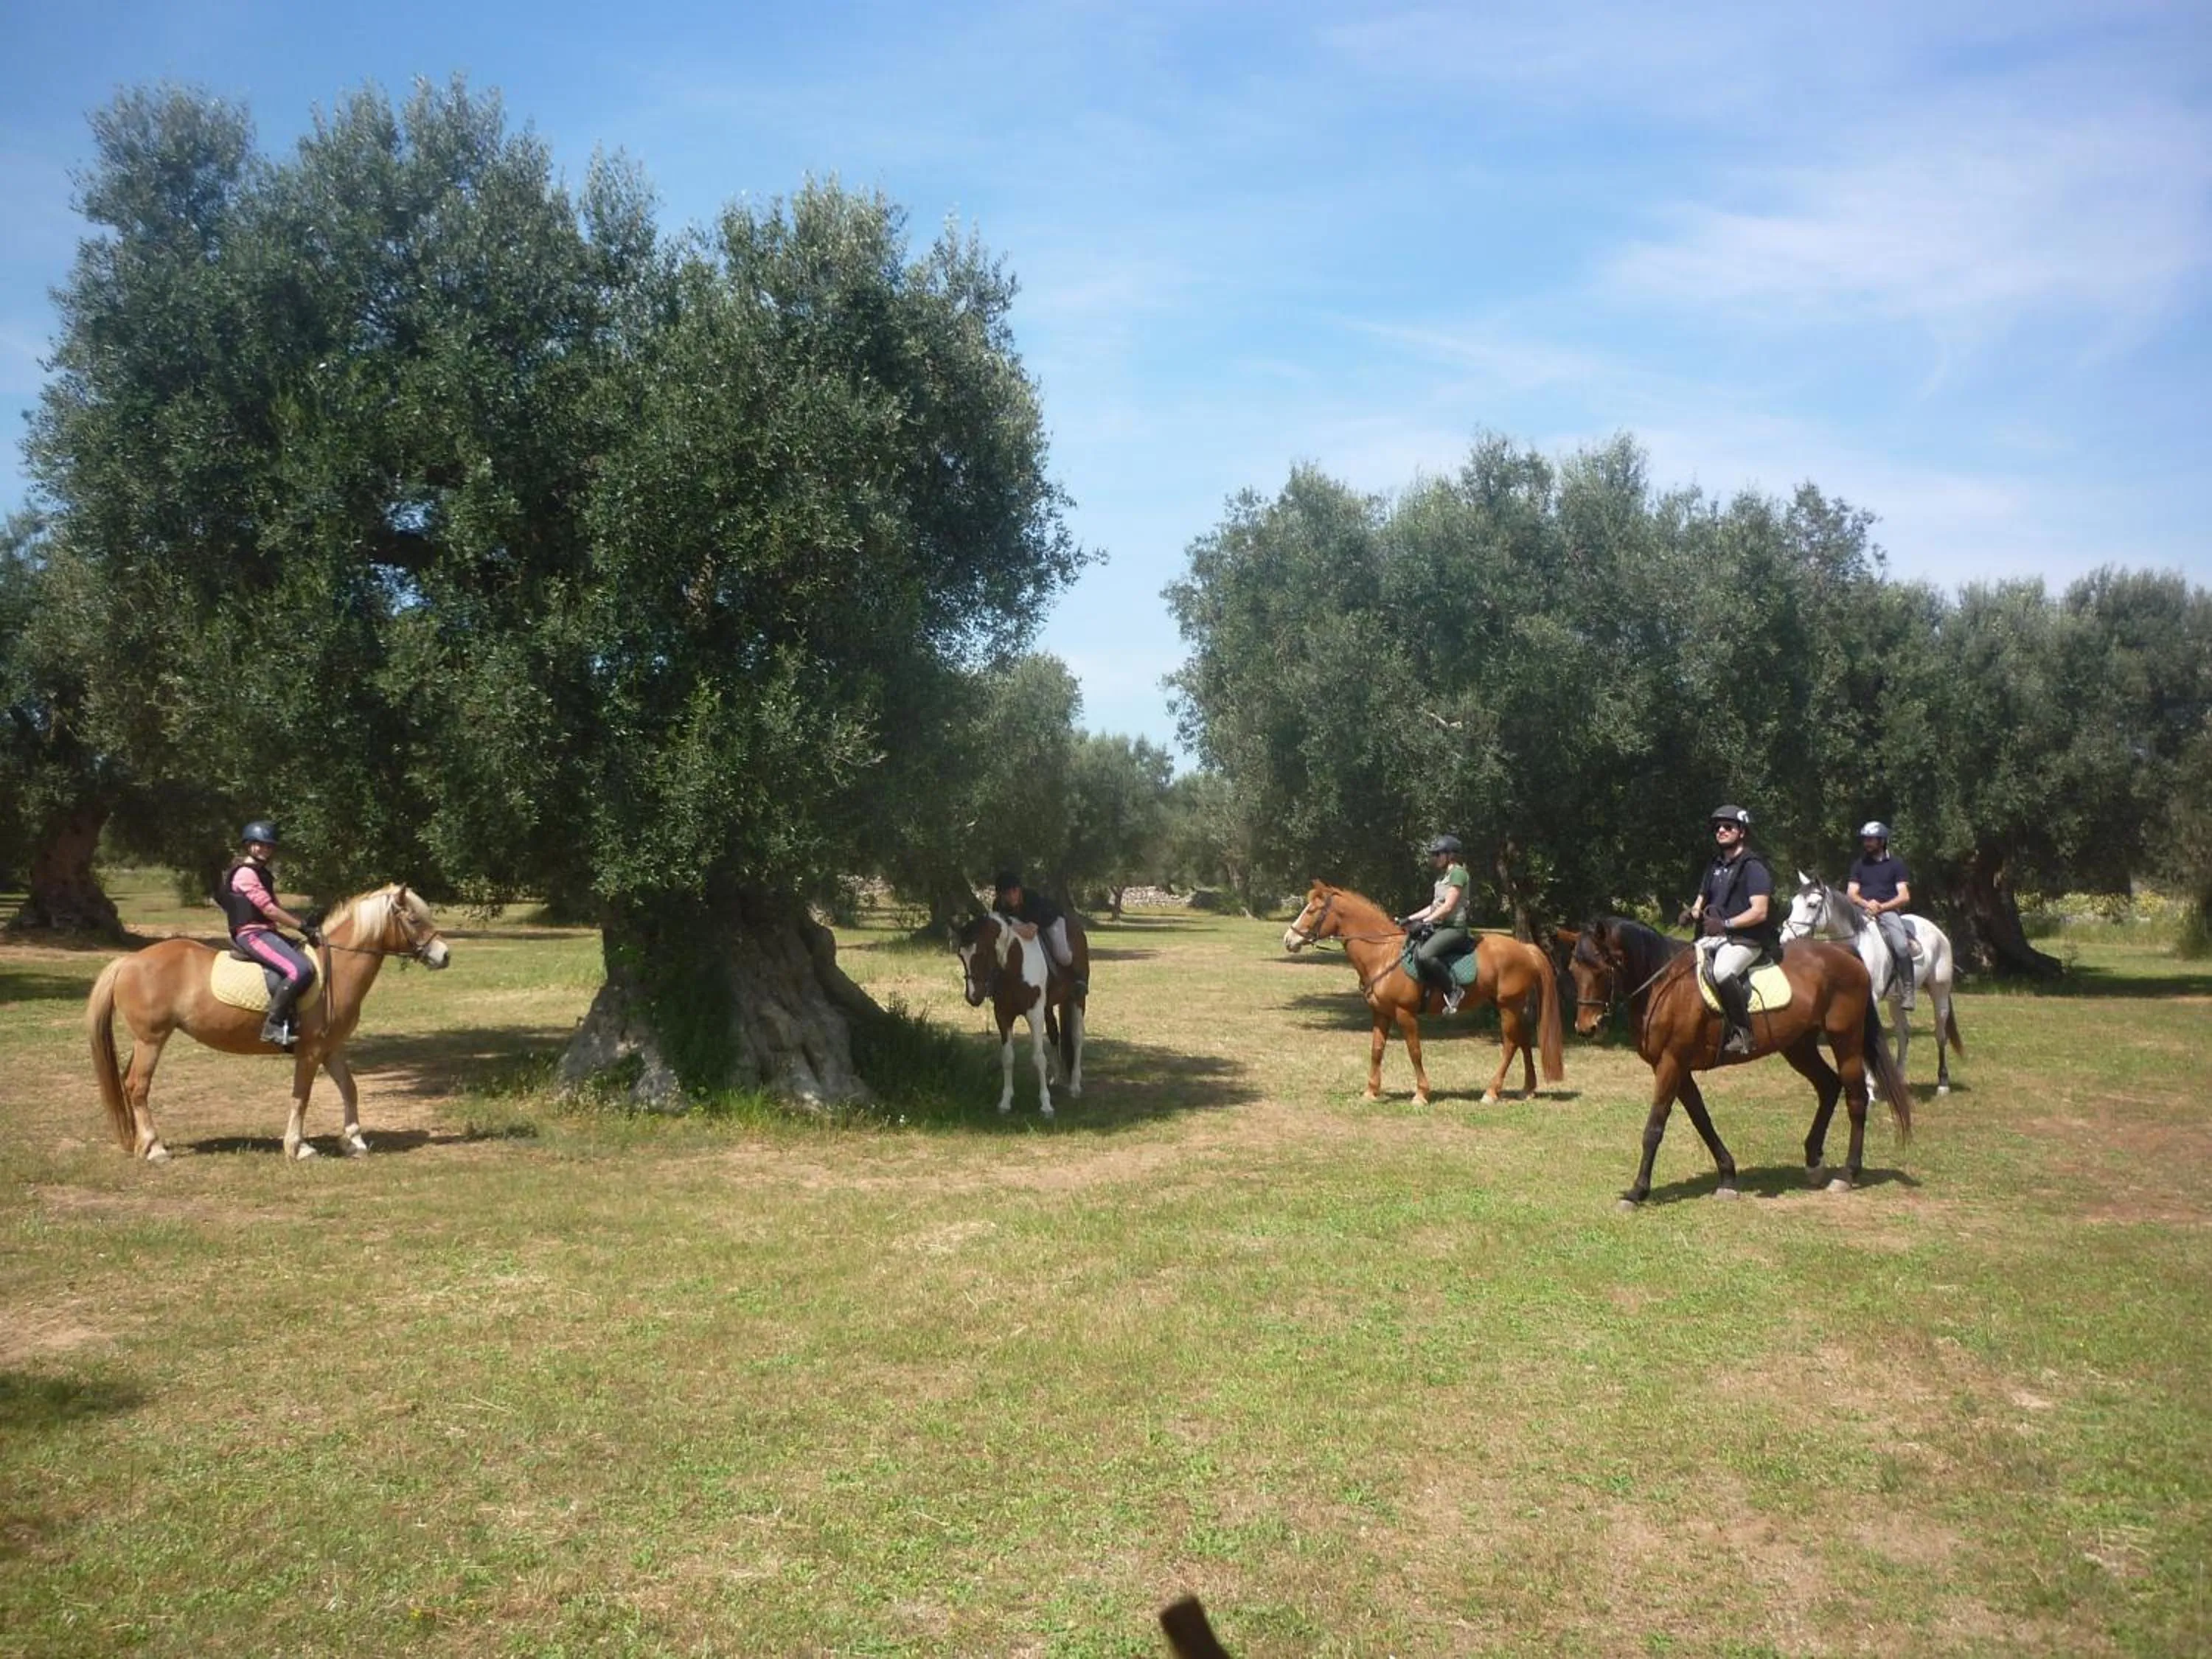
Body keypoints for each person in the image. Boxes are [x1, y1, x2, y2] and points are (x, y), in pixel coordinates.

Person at [216, 821, 318, 1048]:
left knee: (305, 956)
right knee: (300, 969)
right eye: (260, 845)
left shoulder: (263, 874)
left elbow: (275, 907)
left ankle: (294, 1022)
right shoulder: (245, 874)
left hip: (267, 932)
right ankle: (274, 1025)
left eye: (269, 846)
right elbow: (268, 910)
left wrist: (305, 924)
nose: (265, 850)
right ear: (249, 845)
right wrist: (301, 926)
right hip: (252, 935)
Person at [1688, 804, 1780, 1057]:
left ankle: (1743, 1033)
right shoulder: (1715, 865)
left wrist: (1726, 924)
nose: (1721, 831)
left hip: (1746, 939)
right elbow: (1702, 899)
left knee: (1722, 972)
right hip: (1713, 938)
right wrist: (1692, 912)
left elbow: (1759, 911)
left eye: (1728, 827)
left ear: (1742, 831)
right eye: (1717, 827)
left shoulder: (1753, 867)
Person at [1847, 820, 1916, 1012]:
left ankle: (1908, 990)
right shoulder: (1859, 865)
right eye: (1865, 839)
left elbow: (1904, 896)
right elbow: (1851, 893)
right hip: (1862, 911)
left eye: (1871, 840)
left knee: (1901, 946)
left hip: (1888, 912)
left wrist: (1882, 907)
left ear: (1882, 841)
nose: (1867, 843)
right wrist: (1866, 904)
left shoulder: (1896, 865)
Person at [1400, 834, 1473, 1014]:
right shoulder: (1442, 877)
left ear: (1450, 855)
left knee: (1425, 955)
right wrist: (1410, 919)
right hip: (1441, 926)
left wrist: (1425, 922)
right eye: (1435, 854)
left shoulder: (1458, 874)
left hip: (1455, 928)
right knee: (1414, 947)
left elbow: (1448, 907)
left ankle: (1454, 990)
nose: (1435, 858)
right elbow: (1434, 906)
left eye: (1438, 854)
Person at [991, 871, 1085, 992]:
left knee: (1063, 955)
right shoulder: (998, 905)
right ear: (1001, 896)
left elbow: (1030, 933)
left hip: (1050, 921)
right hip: (1023, 926)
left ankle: (1077, 977)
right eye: (1007, 894)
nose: (1012, 896)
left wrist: (1008, 926)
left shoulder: (1032, 899)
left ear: (1020, 889)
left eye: (1015, 891)